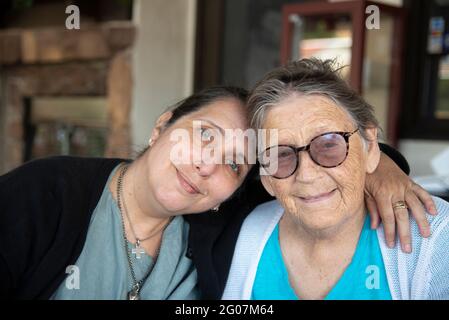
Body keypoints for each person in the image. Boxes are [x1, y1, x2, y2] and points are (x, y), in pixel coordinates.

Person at [0, 84, 435, 300]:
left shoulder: (224, 223)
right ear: (161, 126)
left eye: (233, 162)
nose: (207, 164)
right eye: (202, 135)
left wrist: (381, 169)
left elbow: (315, 164)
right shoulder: (47, 193)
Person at [222, 59, 449, 300]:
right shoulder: (251, 230)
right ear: (266, 177)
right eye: (281, 154)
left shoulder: (435, 234)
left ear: (371, 148)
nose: (307, 175)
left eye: (329, 144)